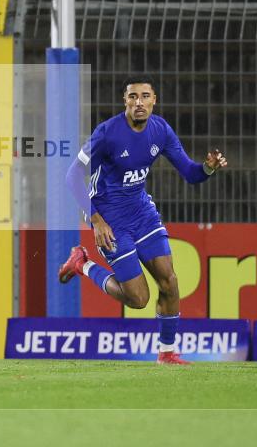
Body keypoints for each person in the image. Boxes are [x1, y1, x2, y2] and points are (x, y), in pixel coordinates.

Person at [58, 76, 227, 365]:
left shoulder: (160, 130)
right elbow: (72, 175)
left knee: (170, 281)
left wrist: (208, 169)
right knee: (138, 299)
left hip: (142, 213)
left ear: (154, 100)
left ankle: (167, 353)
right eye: (133, 97)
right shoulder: (106, 133)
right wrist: (96, 220)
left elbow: (190, 173)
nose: (139, 102)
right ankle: (82, 264)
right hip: (109, 220)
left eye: (145, 96)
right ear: (125, 101)